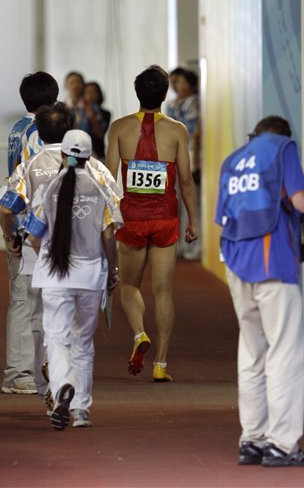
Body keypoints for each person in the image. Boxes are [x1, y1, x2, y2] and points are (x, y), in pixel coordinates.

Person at [0, 103, 122, 414]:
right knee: (77, 330)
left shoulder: (29, 166)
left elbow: (5, 208)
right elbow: (113, 216)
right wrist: (112, 265)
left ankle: (49, 386)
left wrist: (11, 240)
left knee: (41, 324)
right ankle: (73, 392)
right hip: (86, 262)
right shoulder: (95, 168)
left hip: (39, 259)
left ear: (38, 132)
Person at [215, 116, 304, 467]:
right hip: (272, 261)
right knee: (286, 353)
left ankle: (253, 440)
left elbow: (224, 216)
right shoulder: (282, 148)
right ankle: (282, 444)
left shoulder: (233, 158)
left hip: (235, 263)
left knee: (252, 352)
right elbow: (303, 202)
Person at [24, 129, 122, 431]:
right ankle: (81, 410)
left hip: (55, 275)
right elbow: (109, 235)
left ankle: (62, 385)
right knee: (83, 342)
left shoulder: (48, 188)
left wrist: (49, 256)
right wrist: (113, 270)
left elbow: (33, 234)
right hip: (90, 275)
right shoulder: (101, 186)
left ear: (64, 156)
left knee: (56, 338)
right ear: (88, 156)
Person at [106, 65, 198, 382]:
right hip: (165, 219)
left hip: (131, 217)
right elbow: (185, 180)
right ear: (164, 94)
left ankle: (139, 334)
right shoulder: (177, 131)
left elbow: (108, 179)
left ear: (137, 93)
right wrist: (193, 221)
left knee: (129, 285)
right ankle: (160, 364)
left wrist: (108, 219)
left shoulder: (118, 128)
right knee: (163, 292)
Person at [1, 71, 59, 395]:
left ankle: (27, 369)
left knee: (24, 299)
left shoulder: (17, 127)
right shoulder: (39, 132)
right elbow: (42, 182)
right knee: (28, 301)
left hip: (16, 221)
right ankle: (19, 373)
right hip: (30, 227)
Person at [166, 69, 201, 260]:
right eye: (173, 82)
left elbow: (194, 133)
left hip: (188, 152)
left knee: (190, 200)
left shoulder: (193, 102)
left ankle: (192, 244)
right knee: (176, 200)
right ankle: (177, 243)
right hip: (173, 154)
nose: (177, 85)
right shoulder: (172, 104)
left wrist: (194, 159)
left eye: (180, 81)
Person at [83, 81, 111, 161]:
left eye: (93, 92)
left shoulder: (105, 113)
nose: (90, 95)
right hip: (80, 154)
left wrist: (93, 119)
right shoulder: (79, 112)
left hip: (98, 155)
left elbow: (100, 134)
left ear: (99, 94)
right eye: (87, 92)